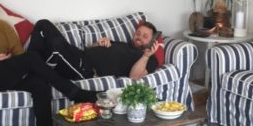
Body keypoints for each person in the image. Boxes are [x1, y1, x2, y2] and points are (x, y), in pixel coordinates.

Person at [27, 19, 160, 81]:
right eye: (138, 33)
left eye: (145, 36)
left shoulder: (150, 59)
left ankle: (32, 69)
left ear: (152, 42)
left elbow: (134, 76)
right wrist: (98, 43)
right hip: (80, 55)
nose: (139, 37)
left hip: (87, 70)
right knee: (43, 24)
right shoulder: (122, 44)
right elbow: (92, 49)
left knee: (56, 45)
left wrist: (146, 56)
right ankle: (31, 66)